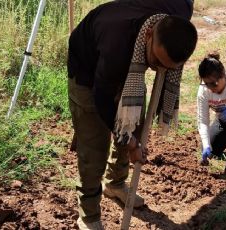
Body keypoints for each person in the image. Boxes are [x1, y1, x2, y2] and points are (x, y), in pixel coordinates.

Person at [67, 0, 197, 229]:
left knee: (133, 121)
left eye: (168, 67)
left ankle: (115, 183)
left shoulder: (180, 12)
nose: (159, 69)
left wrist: (132, 137)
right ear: (148, 35)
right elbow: (103, 101)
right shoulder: (116, 43)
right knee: (94, 147)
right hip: (88, 74)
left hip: (126, 66)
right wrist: (130, 143)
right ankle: (88, 215)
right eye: (156, 62)